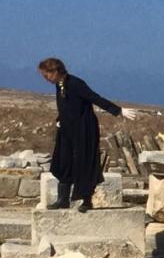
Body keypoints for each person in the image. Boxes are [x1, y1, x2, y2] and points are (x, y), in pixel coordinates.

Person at [38, 58, 137, 212]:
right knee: (63, 161)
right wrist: (60, 120)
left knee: (83, 162)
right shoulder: (60, 85)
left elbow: (94, 98)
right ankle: (63, 199)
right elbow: (65, 106)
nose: (46, 79)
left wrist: (118, 110)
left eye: (47, 75)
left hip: (84, 129)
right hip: (66, 129)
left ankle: (86, 201)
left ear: (55, 71)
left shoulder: (75, 83)